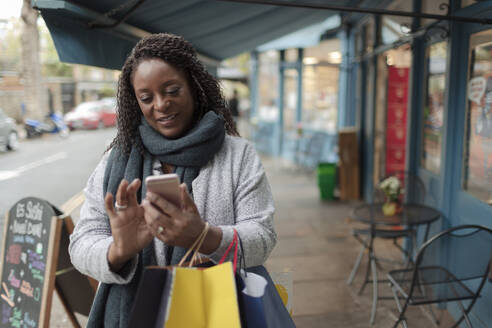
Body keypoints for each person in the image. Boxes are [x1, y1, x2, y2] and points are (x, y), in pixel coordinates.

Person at [69, 33, 277, 327]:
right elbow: (80, 245)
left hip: (214, 312)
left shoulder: (237, 155)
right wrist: (118, 250)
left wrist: (204, 237)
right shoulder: (116, 159)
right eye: (146, 97)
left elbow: (263, 239)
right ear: (135, 101)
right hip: (133, 313)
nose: (161, 105)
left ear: (194, 87)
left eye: (172, 90)